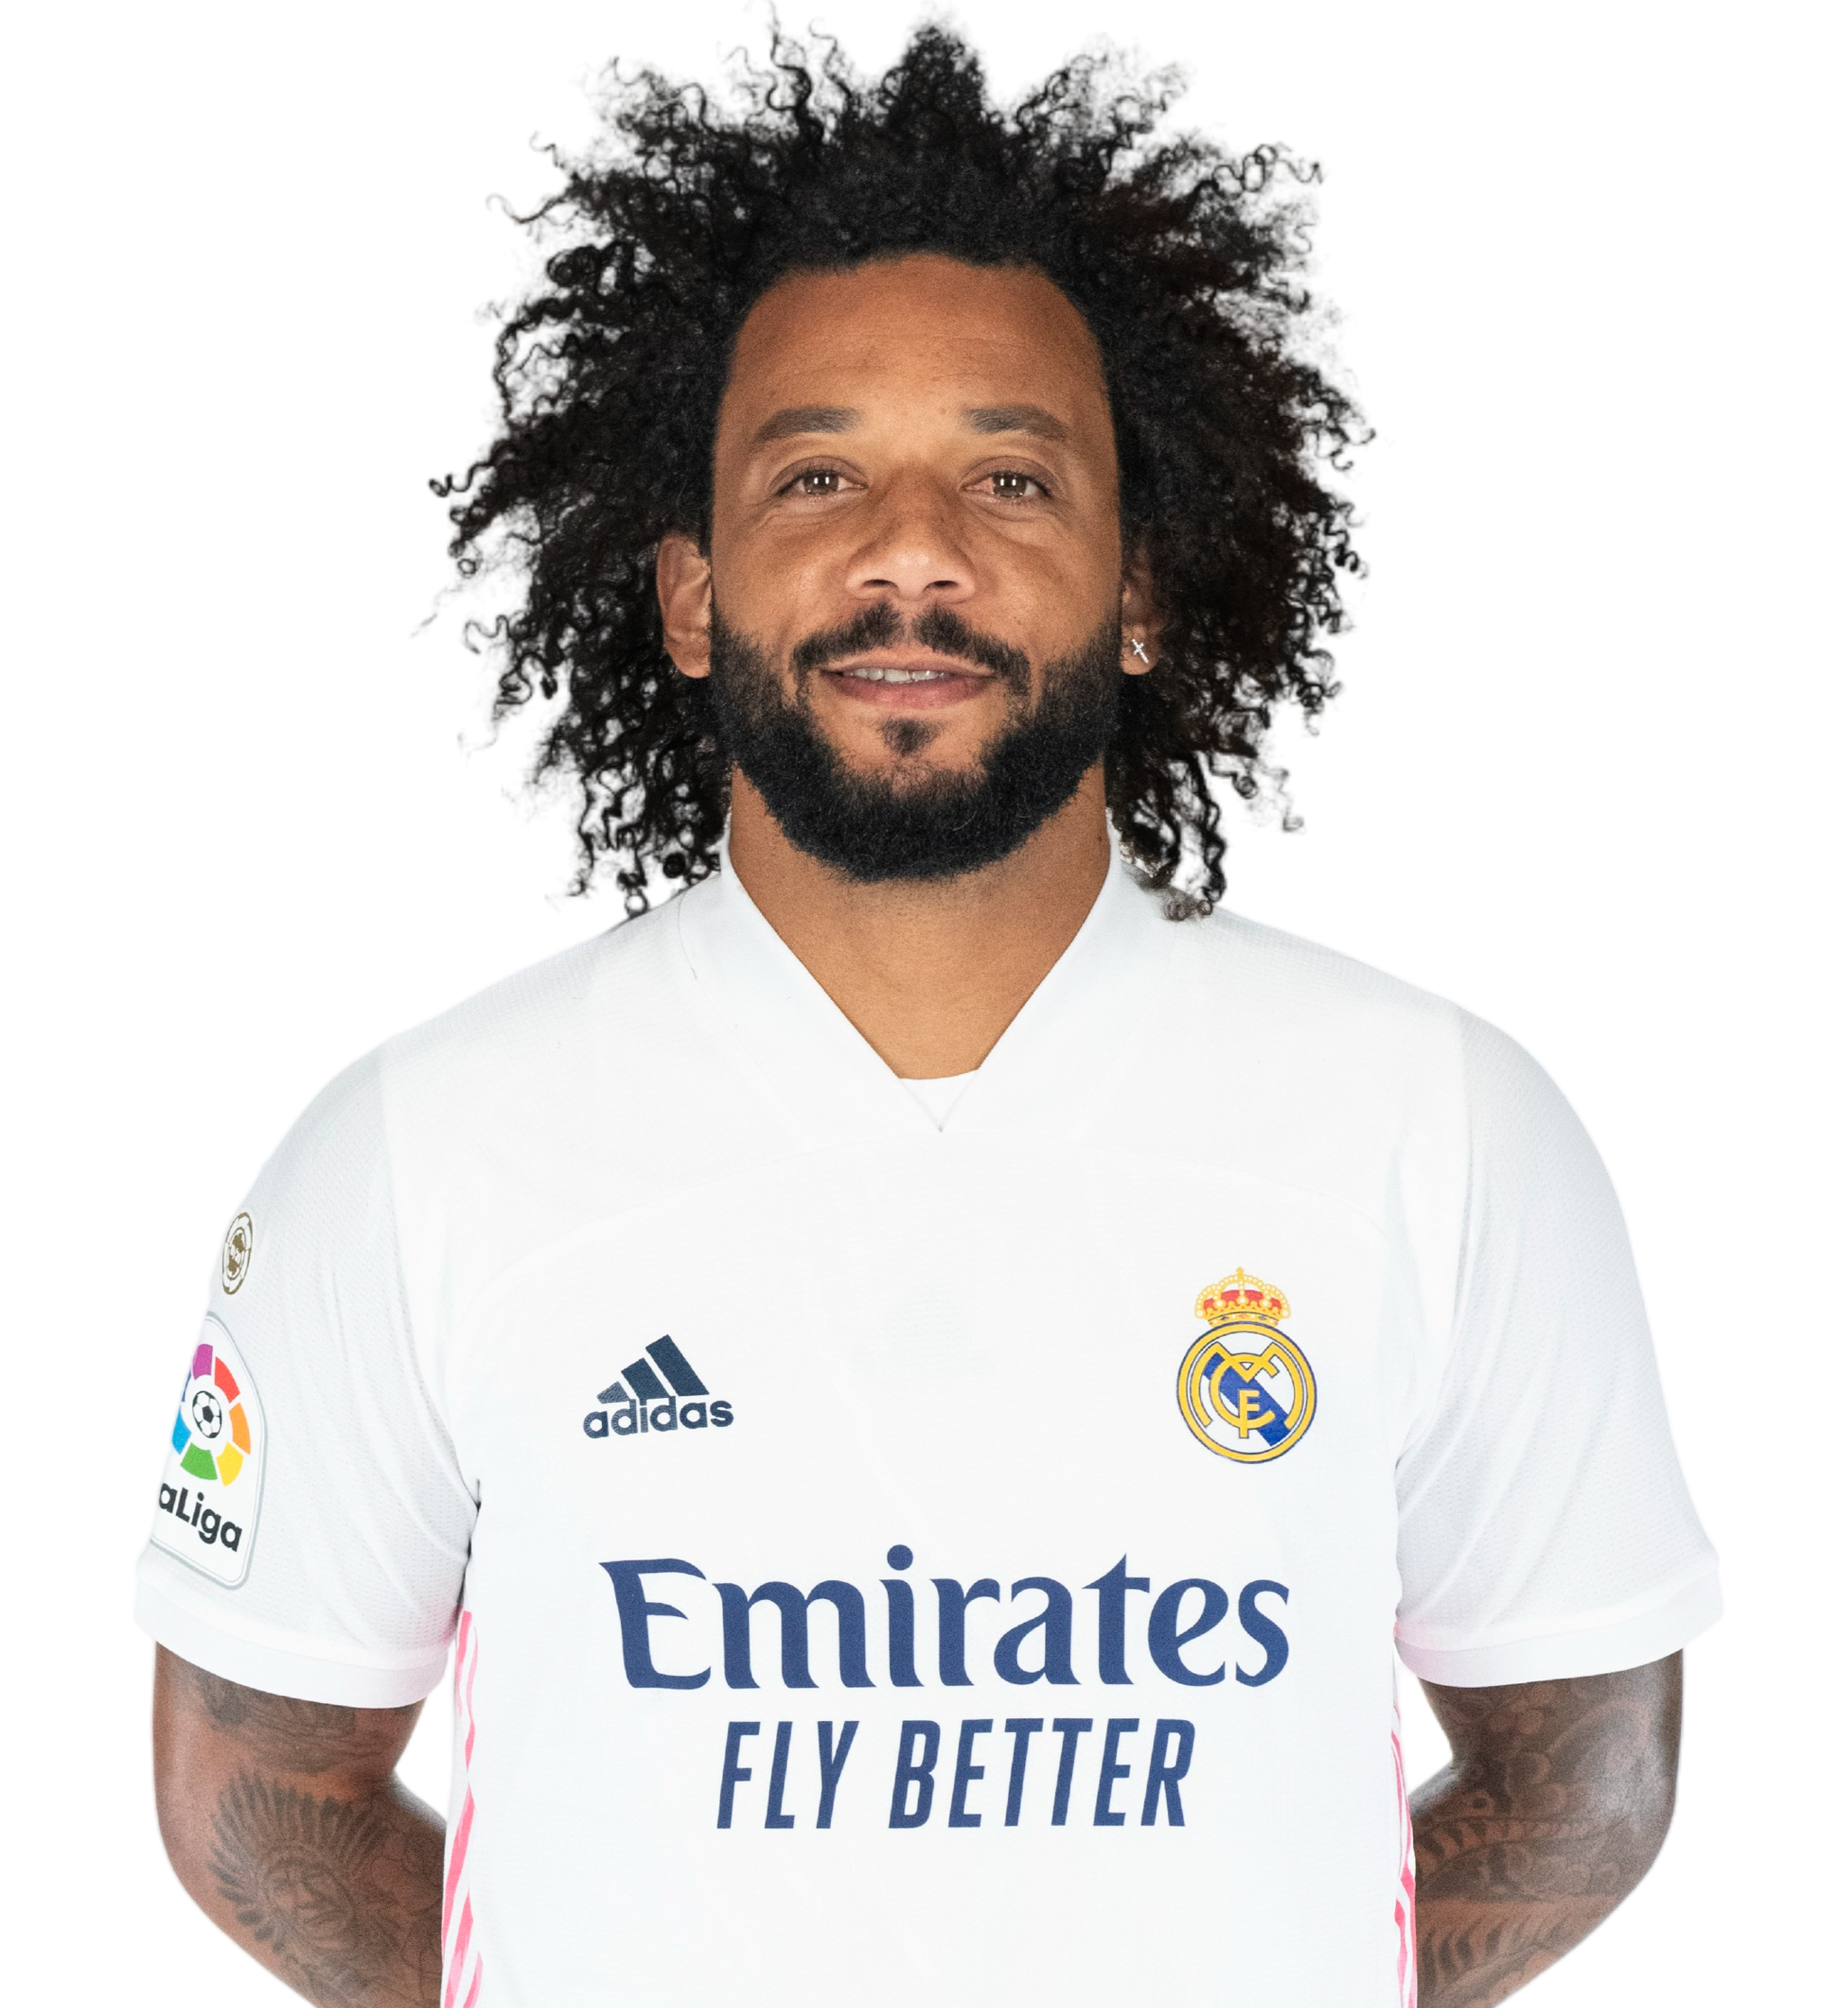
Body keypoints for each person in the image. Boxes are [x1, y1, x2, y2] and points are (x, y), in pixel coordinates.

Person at [134, 14, 1723, 2005]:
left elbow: (1585, 1776)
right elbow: (255, 1797)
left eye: (1010, 476)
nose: (911, 554)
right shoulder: (417, 1142)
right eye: (819, 474)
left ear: (1138, 589)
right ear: (690, 592)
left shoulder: (1447, 1118)